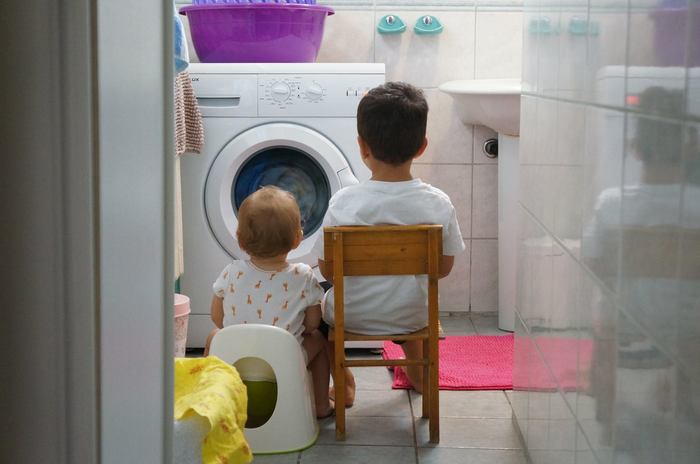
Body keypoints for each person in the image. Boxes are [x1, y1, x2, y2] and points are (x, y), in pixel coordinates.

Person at [314, 81, 466, 403]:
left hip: (350, 314)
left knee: (317, 312)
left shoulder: (343, 203)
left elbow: (328, 269)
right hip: (413, 314)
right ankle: (421, 375)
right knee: (409, 291)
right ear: (422, 146)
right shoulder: (438, 203)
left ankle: (344, 383)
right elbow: (443, 268)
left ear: (362, 147)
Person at [204, 186, 333, 418]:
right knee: (319, 340)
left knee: (214, 336)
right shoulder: (303, 276)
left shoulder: (232, 271)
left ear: (240, 240)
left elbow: (217, 318)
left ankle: (210, 399)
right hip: (284, 363)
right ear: (297, 239)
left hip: (236, 359)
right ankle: (322, 405)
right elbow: (313, 323)